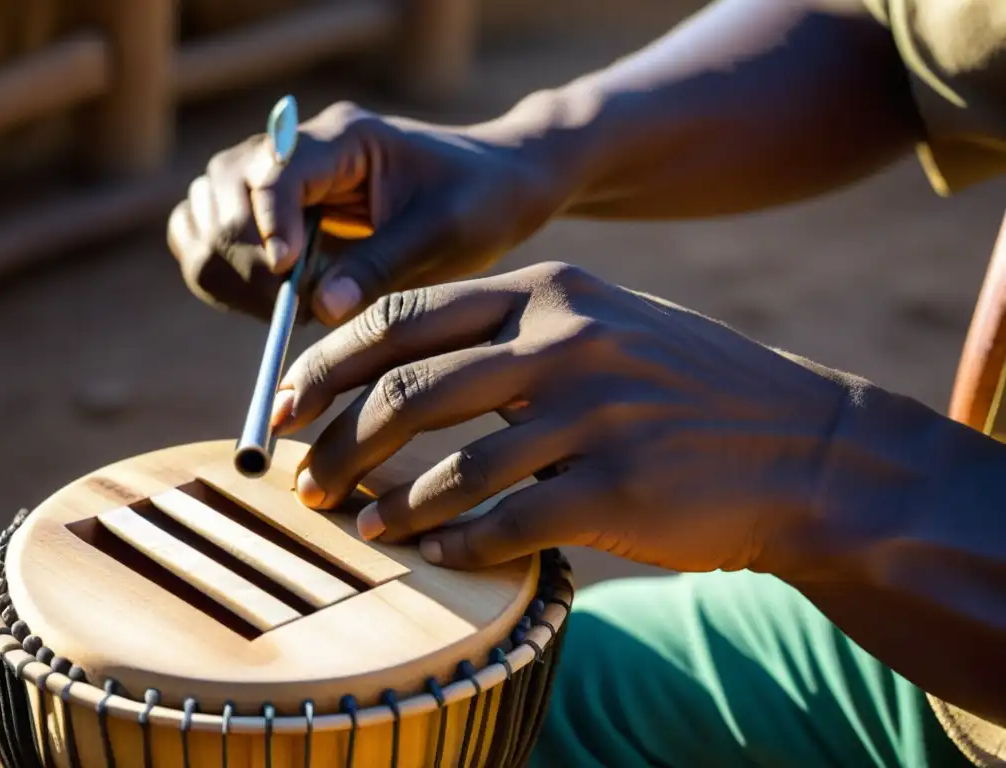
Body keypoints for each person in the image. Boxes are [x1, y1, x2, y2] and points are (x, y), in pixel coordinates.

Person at [166, 0, 1006, 764]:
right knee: (440, 727)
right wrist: (535, 148)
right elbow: (903, 33)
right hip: (923, 663)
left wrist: (825, 465)